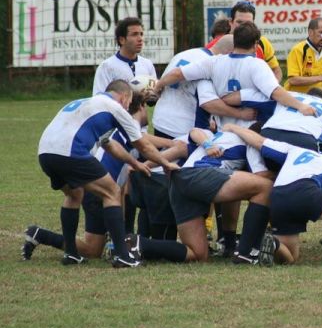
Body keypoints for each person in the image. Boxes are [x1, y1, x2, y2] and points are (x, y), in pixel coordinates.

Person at [35, 79, 180, 267]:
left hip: (46, 153)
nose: (129, 107)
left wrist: (134, 163)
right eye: (129, 102)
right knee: (111, 192)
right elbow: (142, 144)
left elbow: (108, 144)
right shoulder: (114, 106)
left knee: (74, 194)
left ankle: (71, 253)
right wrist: (165, 163)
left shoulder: (87, 102)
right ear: (124, 96)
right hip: (71, 151)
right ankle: (122, 256)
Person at [223, 123, 322, 266]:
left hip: (278, 195)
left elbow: (259, 141)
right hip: (304, 192)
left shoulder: (294, 150)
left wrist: (234, 127)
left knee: (291, 257)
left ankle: (273, 244)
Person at [125, 126, 273, 264]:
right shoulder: (250, 142)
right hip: (201, 175)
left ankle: (138, 243)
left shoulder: (215, 135)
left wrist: (207, 144)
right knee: (265, 187)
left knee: (198, 254)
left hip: (179, 180)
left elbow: (194, 132)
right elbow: (260, 175)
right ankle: (246, 252)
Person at [154, 22, 315, 118]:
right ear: (256, 44)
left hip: (223, 129)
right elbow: (275, 92)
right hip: (249, 128)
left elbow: (177, 73)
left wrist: (158, 86)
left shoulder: (213, 62)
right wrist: (300, 106)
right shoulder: (257, 65)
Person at [152, 34, 235, 139]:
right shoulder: (211, 65)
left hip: (159, 120)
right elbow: (208, 104)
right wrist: (240, 114)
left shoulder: (184, 54)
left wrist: (157, 86)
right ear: (230, 53)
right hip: (182, 128)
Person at [205, 1, 282, 82]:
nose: (244, 26)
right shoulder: (216, 45)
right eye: (239, 22)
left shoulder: (262, 42)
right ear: (231, 23)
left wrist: (271, 88)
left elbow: (276, 70)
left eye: (248, 23)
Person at [92, 17, 157, 97]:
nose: (140, 39)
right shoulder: (106, 66)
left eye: (141, 34)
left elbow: (155, 95)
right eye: (134, 34)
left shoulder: (147, 64)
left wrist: (152, 96)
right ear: (122, 40)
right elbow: (98, 98)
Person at [284, 18, 322, 94]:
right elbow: (293, 80)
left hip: (318, 95)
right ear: (310, 32)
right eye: (321, 32)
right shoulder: (298, 50)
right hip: (296, 96)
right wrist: (321, 78)